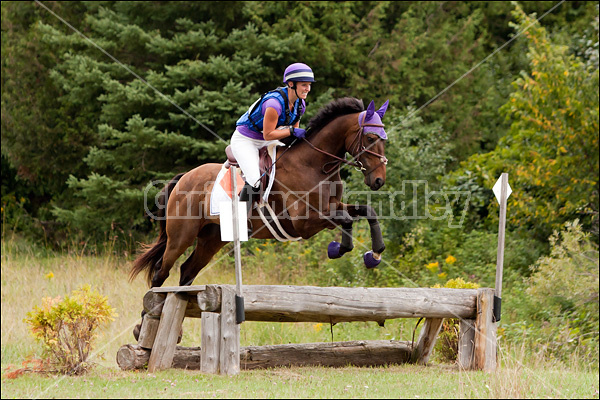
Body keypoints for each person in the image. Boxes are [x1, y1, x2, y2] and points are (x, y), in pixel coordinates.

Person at [231, 62, 315, 233]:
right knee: (254, 177)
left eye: (309, 85)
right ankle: (240, 219)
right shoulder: (274, 104)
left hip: (269, 139)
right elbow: (268, 134)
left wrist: (297, 134)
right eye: (304, 85)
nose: (308, 89)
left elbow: (290, 133)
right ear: (291, 84)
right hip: (247, 139)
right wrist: (291, 130)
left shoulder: (300, 105)